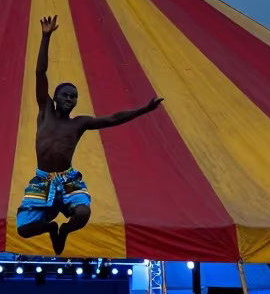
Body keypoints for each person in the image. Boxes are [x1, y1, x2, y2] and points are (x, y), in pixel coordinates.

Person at [17, 15, 163, 254]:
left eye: (74, 96)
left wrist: (144, 110)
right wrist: (46, 37)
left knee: (83, 214)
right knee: (24, 229)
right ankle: (52, 227)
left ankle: (64, 231)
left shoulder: (79, 124)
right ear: (55, 97)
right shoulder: (45, 111)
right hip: (42, 179)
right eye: (65, 95)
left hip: (68, 179)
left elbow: (113, 119)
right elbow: (40, 73)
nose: (70, 99)